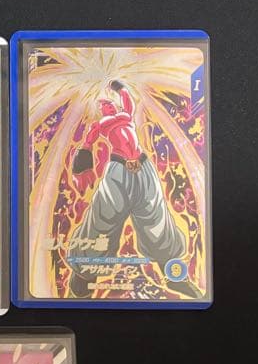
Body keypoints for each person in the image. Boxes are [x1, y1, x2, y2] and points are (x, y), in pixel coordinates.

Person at [68, 80, 198, 298]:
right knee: (102, 219)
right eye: (102, 105)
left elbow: (128, 101)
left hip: (143, 166)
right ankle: (84, 275)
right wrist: (82, 166)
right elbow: (88, 143)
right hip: (118, 171)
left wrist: (118, 87)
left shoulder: (125, 115)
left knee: (155, 216)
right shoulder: (100, 125)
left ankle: (173, 273)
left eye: (108, 103)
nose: (106, 105)